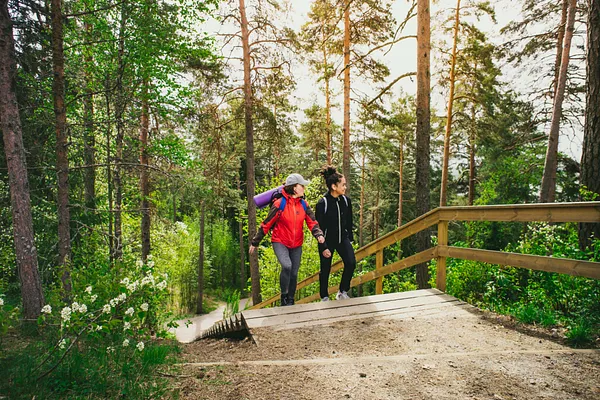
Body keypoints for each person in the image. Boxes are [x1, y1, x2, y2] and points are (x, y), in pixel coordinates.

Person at [249, 173, 325, 306]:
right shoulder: (279, 204)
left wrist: (318, 234)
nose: (304, 188)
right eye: (302, 186)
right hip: (280, 241)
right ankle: (283, 297)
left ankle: (290, 299)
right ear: (295, 188)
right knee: (287, 266)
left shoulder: (304, 204)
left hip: (297, 244)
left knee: (294, 273)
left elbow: (312, 222)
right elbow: (266, 224)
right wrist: (255, 242)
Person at [315, 166, 356, 301]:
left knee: (351, 262)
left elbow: (349, 221)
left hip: (342, 239)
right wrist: (323, 247)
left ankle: (342, 291)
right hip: (327, 241)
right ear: (333, 186)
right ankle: (324, 297)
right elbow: (318, 228)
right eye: (343, 185)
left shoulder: (345, 201)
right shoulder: (323, 203)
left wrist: (350, 238)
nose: (345, 187)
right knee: (325, 269)